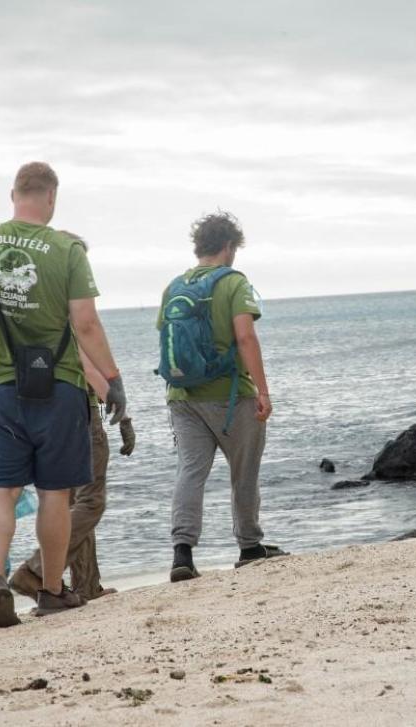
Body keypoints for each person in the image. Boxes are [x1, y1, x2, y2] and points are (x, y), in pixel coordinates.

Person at [0, 162, 127, 627]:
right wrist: (114, 380)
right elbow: (86, 324)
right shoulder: (68, 249)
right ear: (52, 198)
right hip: (58, 390)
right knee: (56, 494)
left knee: (1, 490)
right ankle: (53, 590)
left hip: (1, 389)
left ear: (12, 194)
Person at [156, 211, 287, 582]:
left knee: (190, 472)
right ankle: (249, 546)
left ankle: (182, 554)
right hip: (230, 397)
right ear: (229, 246)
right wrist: (263, 391)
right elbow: (245, 337)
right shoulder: (233, 283)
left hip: (181, 396)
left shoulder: (174, 285)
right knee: (243, 471)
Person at [10, 234, 135, 602]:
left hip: (39, 410)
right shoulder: (68, 308)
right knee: (91, 500)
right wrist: (118, 406)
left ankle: (86, 585)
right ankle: (34, 571)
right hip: (76, 409)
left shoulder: (31, 304)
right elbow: (81, 360)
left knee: (68, 502)